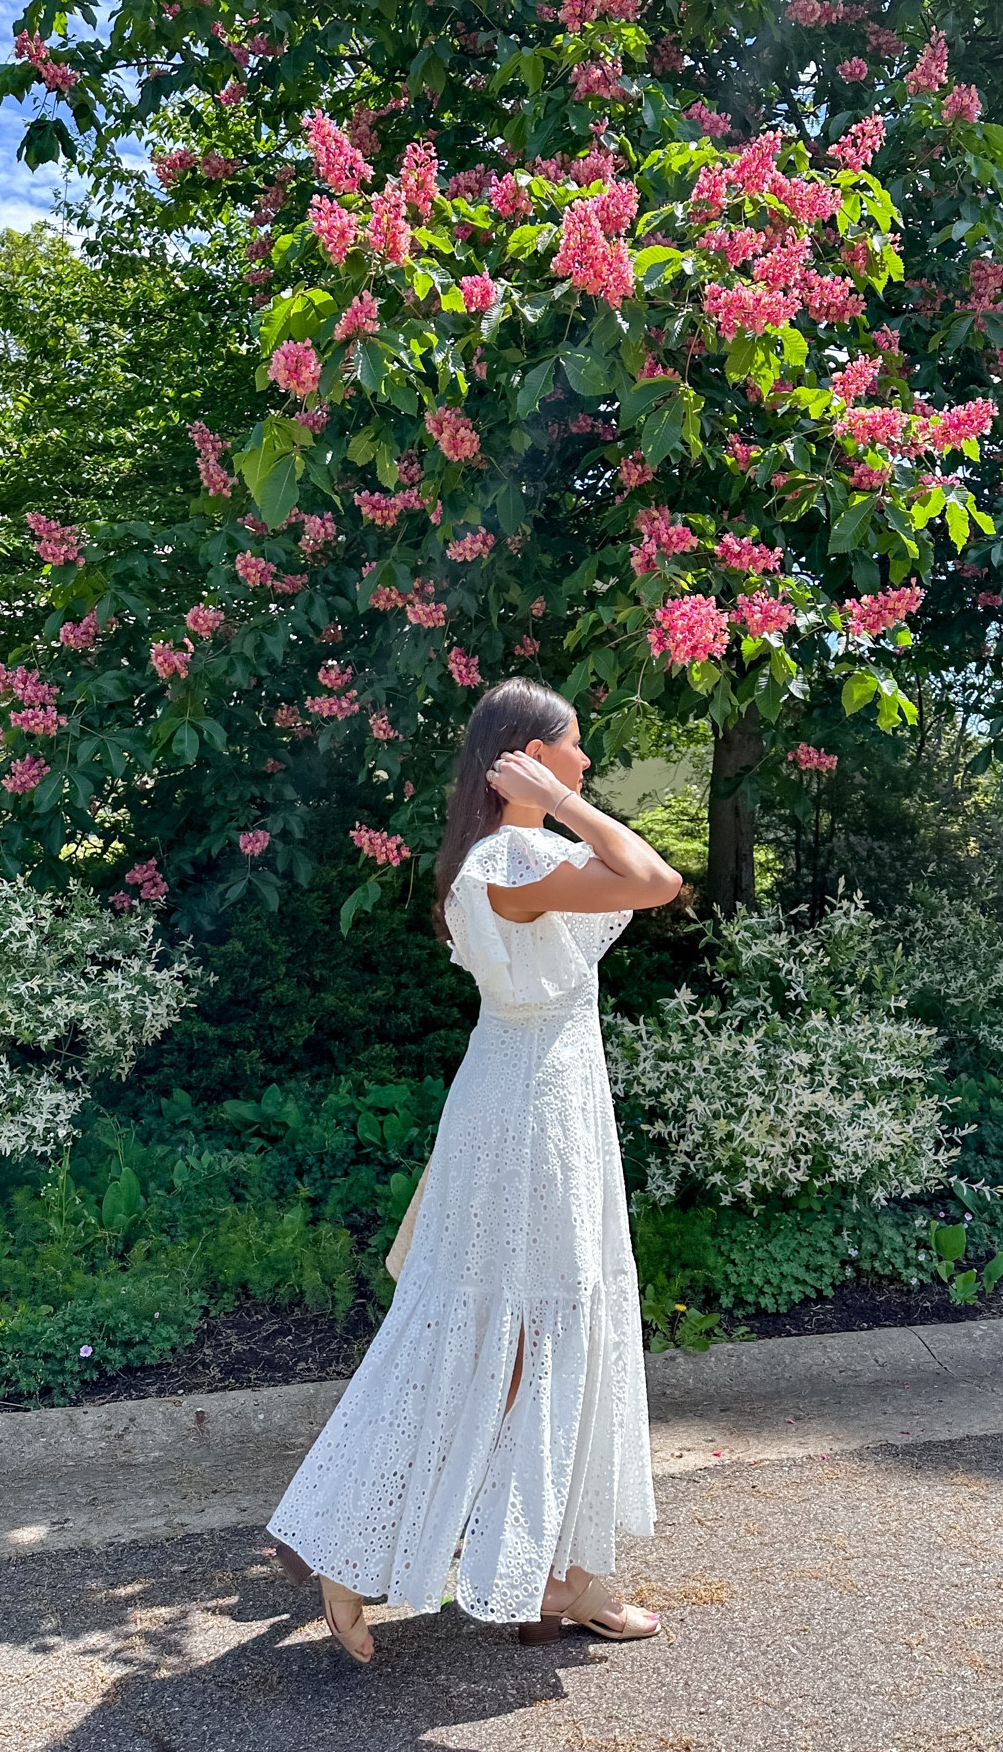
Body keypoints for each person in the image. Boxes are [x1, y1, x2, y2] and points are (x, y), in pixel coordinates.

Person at [267, 676, 683, 1662]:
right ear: (529, 759)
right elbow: (656, 879)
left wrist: (563, 804)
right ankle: (358, 1545)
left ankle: (562, 1577)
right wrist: (574, 805)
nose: (589, 764)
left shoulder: (504, 855)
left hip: (531, 1101)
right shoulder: (520, 854)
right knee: (521, 1337)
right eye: (574, 748)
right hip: (534, 1116)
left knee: (529, 1337)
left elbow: (629, 885)